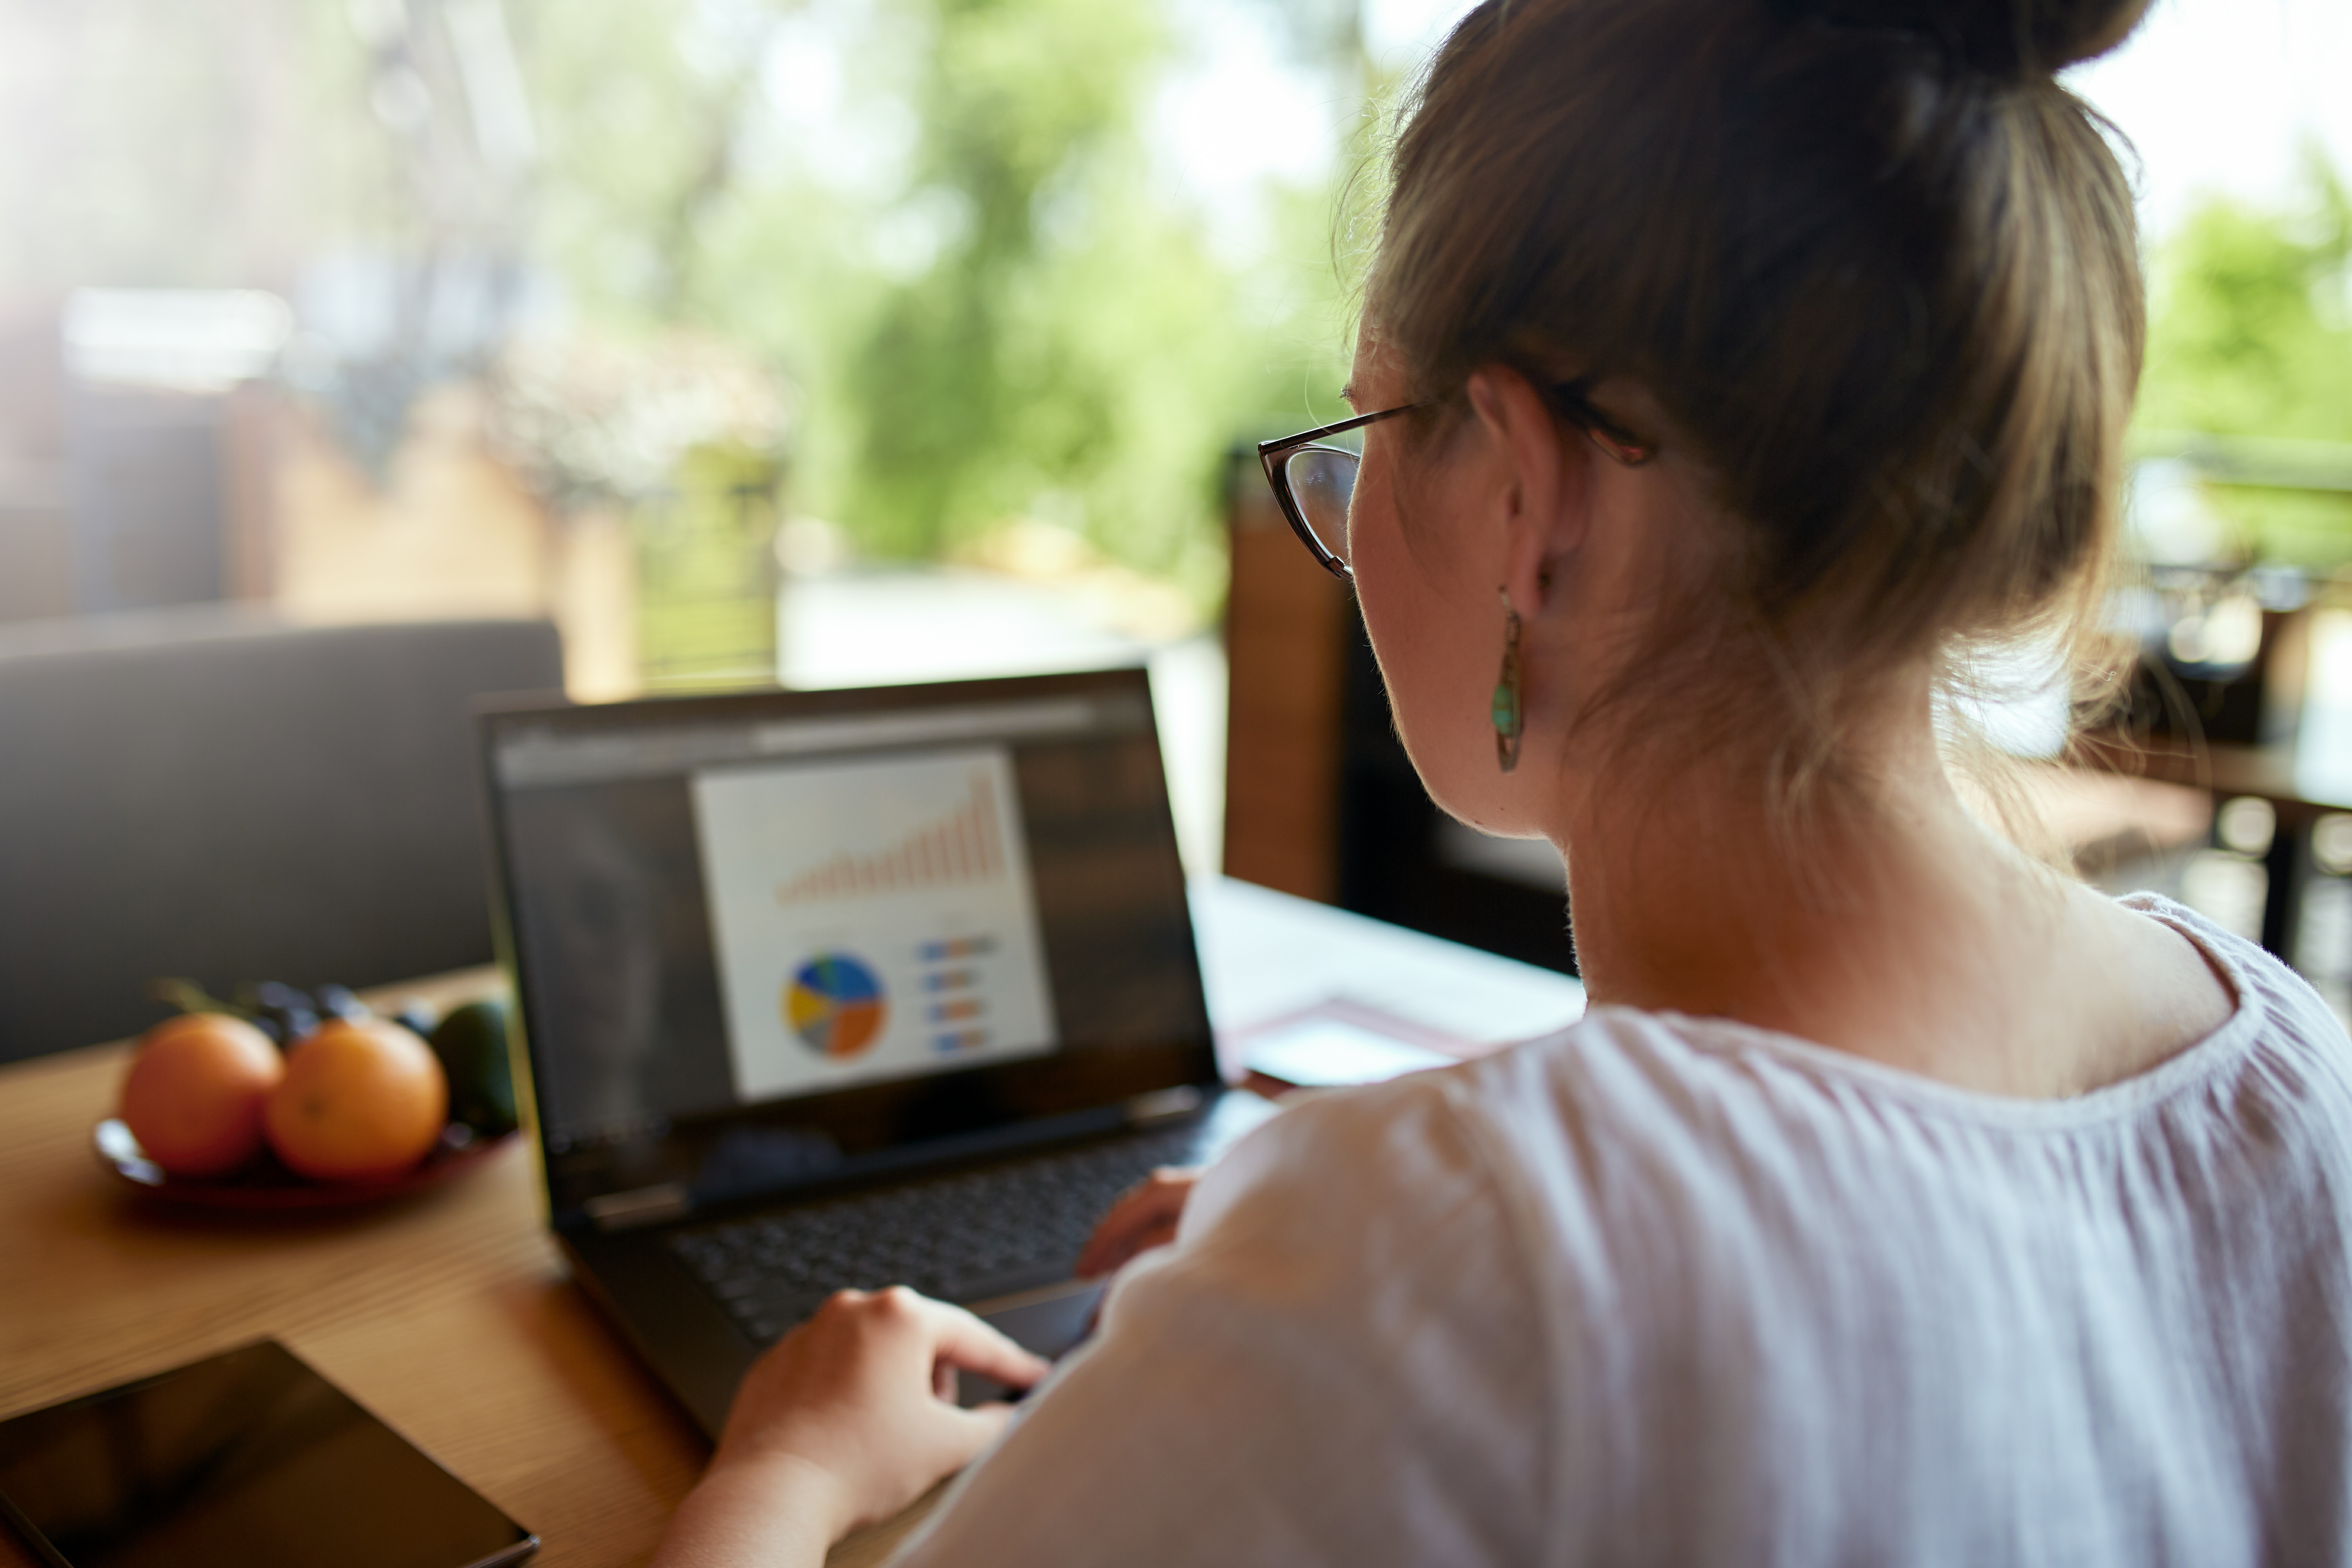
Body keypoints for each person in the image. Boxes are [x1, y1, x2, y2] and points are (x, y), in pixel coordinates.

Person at [654, 0, 2352, 1561]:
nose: (1349, 518)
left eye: (1369, 432)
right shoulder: (2298, 1082)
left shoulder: (1452, 1258)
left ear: (1532, 496)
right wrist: (1310, 1278)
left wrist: (786, 1469)